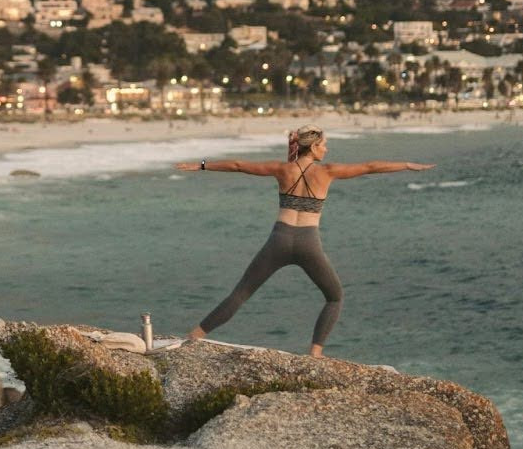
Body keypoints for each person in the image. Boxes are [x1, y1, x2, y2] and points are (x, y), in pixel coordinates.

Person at [175, 125, 435, 357]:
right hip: (309, 243)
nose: (327, 149)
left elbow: (238, 165)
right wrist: (407, 165)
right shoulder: (328, 172)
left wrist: (201, 165)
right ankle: (315, 353)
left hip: (279, 239)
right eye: (323, 145)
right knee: (334, 297)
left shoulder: (283, 169)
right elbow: (370, 167)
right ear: (312, 146)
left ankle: (193, 337)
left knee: (240, 294)